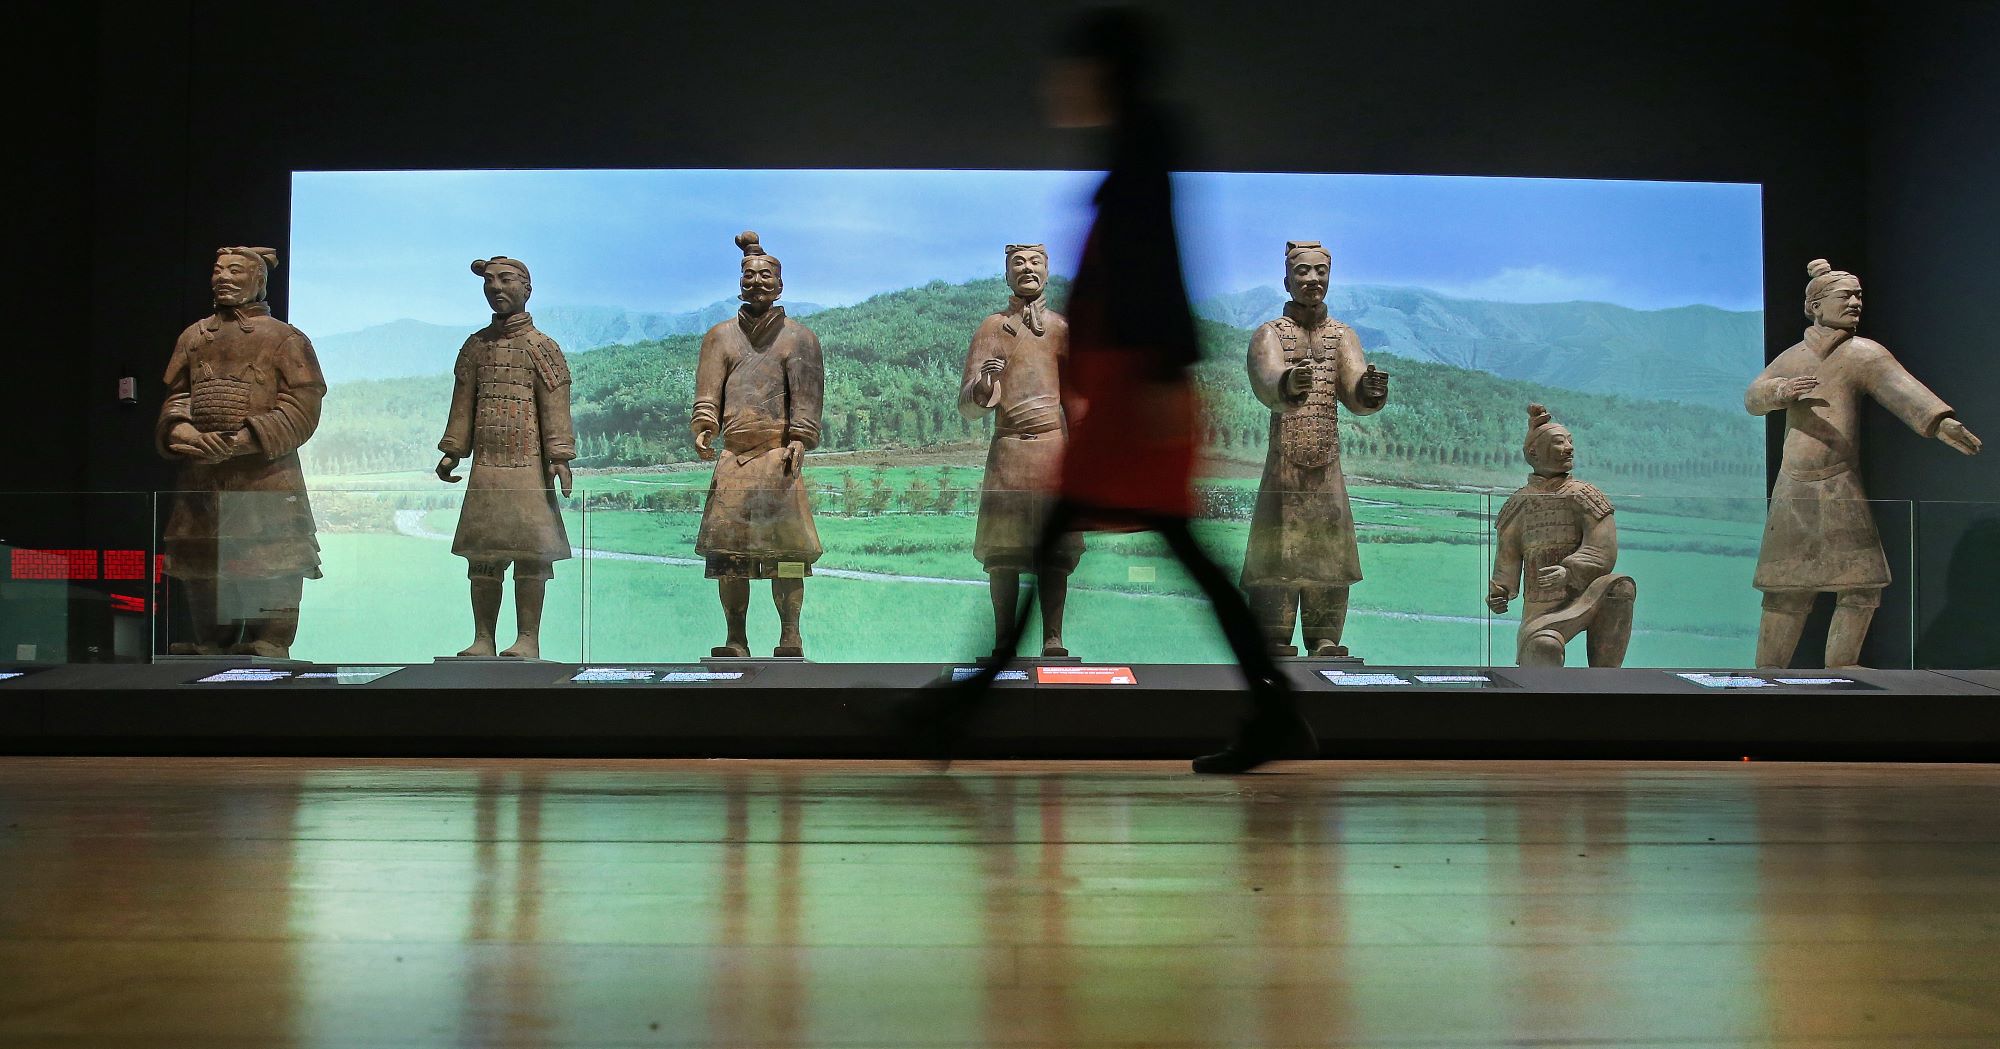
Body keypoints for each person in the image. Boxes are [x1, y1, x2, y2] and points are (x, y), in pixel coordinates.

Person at [919, 7, 1317, 774]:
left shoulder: (1142, 153)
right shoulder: (1135, 149)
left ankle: (960, 710)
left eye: (1070, 69)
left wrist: (1161, 380)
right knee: (1106, 544)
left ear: (1101, 72)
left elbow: (1158, 266)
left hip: (1139, 393)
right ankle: (1274, 710)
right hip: (1129, 393)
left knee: (1150, 548)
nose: (1056, 84)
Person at [1746, 259, 1981, 668]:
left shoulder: (1864, 355)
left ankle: (1842, 665)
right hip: (1795, 484)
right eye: (1846, 296)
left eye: (1859, 295)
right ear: (1816, 306)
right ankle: (1767, 672)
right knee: (1786, 589)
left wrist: (1940, 422)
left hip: (1841, 482)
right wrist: (1781, 390)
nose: (1856, 302)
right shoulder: (1794, 357)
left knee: (1862, 585)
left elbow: (1902, 391)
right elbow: (1753, 398)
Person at [157, 247, 326, 658]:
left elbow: (303, 402)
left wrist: (243, 442)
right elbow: (177, 396)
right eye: (217, 271)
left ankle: (271, 638)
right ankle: (212, 640)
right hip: (202, 475)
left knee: (273, 556)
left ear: (257, 280)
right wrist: (180, 430)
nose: (222, 278)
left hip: (265, 475)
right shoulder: (195, 337)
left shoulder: (284, 337)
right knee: (201, 560)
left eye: (235, 270)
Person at [690, 232, 826, 657]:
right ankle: (736, 639)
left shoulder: (799, 338)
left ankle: (790, 636)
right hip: (733, 459)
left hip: (778, 458)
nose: (757, 282)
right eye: (750, 275)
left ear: (781, 285)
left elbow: (807, 397)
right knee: (728, 557)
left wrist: (801, 438)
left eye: (766, 276)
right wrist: (704, 423)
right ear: (739, 282)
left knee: (786, 556)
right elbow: (708, 392)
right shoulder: (720, 337)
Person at [435, 256, 576, 659]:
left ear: (526, 288)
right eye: (490, 281)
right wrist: (452, 451)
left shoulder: (542, 347)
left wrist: (560, 457)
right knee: (483, 555)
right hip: (486, 470)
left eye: (506, 280)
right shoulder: (475, 346)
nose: (497, 287)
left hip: (528, 468)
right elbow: (463, 404)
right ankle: (484, 638)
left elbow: (555, 405)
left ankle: (527, 638)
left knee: (531, 555)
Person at [959, 243, 1085, 658]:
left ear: (1047, 272)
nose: (1027, 269)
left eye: (1035, 263)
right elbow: (968, 406)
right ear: (1006, 274)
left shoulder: (1063, 330)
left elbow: (1079, 399)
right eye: (1018, 263)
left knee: (1055, 552)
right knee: (1003, 553)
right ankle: (1003, 641)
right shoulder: (991, 328)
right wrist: (983, 384)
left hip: (1053, 450)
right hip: (1009, 450)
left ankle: (1053, 637)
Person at [1487, 404, 1636, 667]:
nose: (1569, 447)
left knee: (1619, 588)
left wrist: (1569, 572)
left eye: (1570, 441)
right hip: (1542, 609)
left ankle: (1605, 685)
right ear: (1534, 452)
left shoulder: (1586, 495)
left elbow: (1602, 549)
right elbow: (1507, 561)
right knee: (1543, 648)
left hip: (1588, 596)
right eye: (1559, 442)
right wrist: (1500, 592)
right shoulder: (1518, 504)